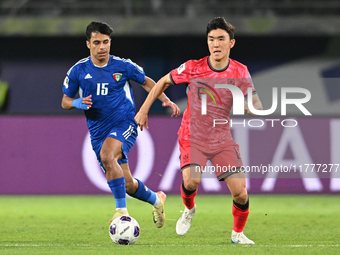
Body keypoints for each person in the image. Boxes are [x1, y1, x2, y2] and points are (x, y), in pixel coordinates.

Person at [135, 17, 263, 244]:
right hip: (192, 135)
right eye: (211, 39)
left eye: (221, 39)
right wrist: (144, 110)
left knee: (241, 193)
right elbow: (163, 81)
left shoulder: (240, 72)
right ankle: (189, 209)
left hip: (221, 137)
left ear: (231, 43)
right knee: (192, 181)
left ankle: (237, 234)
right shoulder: (193, 68)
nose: (215, 44)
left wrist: (248, 106)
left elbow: (257, 105)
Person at [61, 21, 180, 228]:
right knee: (127, 184)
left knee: (108, 155)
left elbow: (147, 82)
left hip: (125, 123)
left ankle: (121, 213)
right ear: (88, 44)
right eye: (97, 42)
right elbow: (65, 101)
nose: (102, 47)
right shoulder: (78, 71)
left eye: (106, 42)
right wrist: (77, 103)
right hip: (98, 131)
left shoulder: (123, 65)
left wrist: (165, 100)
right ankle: (156, 200)